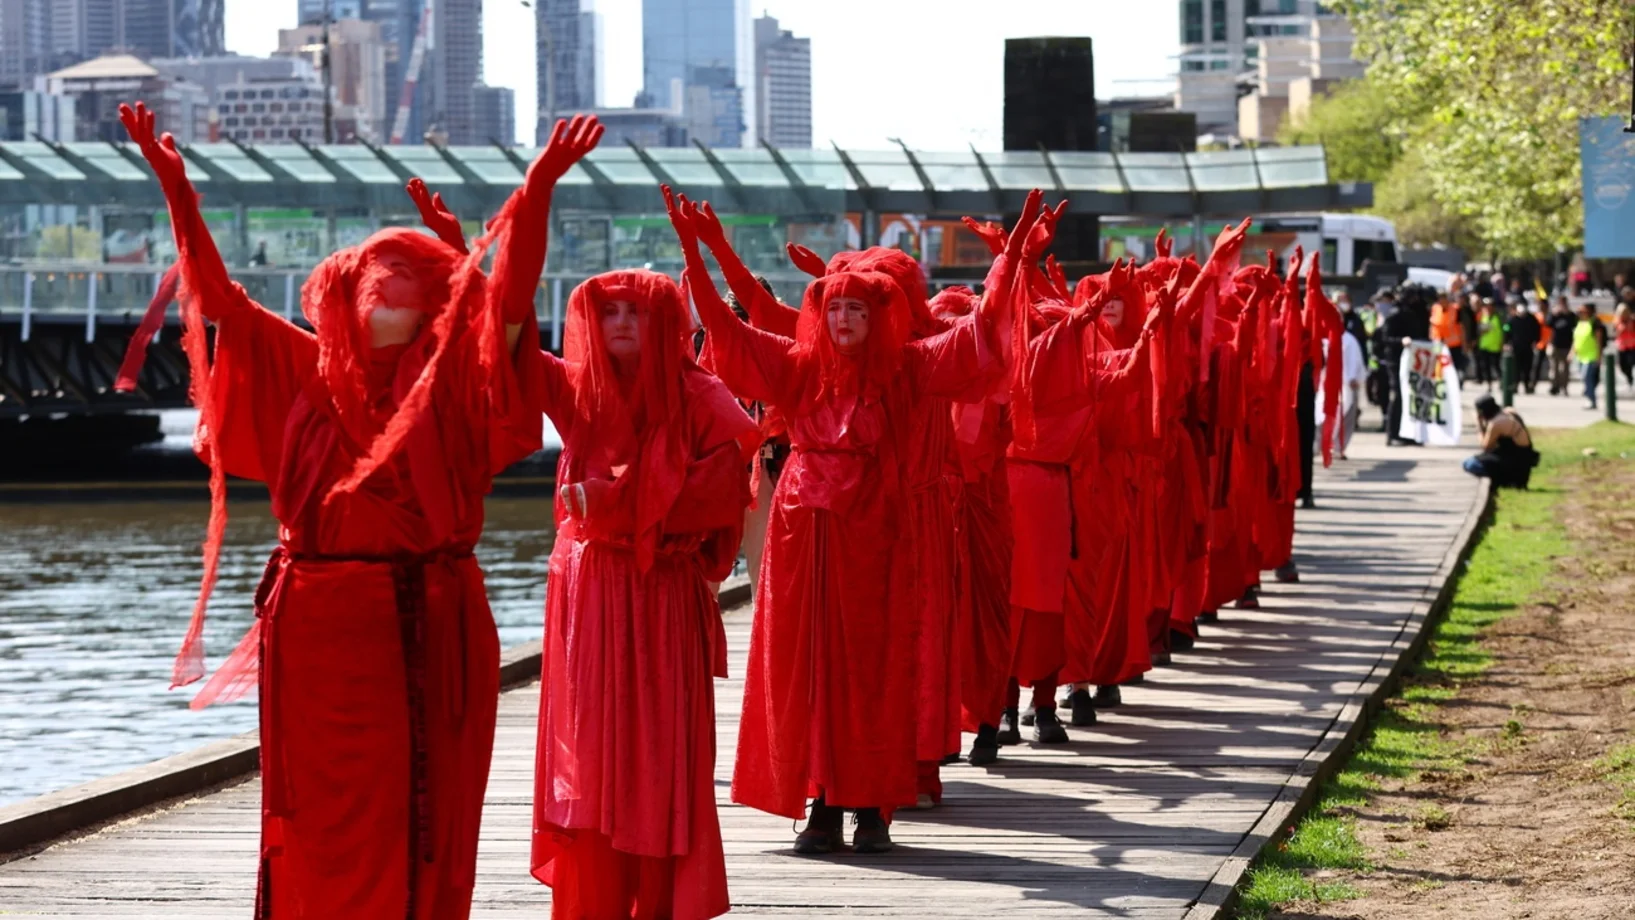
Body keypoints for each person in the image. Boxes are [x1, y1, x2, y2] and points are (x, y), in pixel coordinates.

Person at [115, 102, 600, 919]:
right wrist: (178, 194)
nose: (383, 290)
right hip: (314, 627)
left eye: (406, 281)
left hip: (425, 615)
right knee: (312, 809)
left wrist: (536, 193)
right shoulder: (303, 368)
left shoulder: (450, 389)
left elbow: (510, 307)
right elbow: (219, 299)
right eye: (375, 278)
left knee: (425, 806)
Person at [672, 188, 1041, 855]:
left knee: (874, 668)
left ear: (880, 316)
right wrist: (700, 252)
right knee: (806, 666)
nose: (841, 319)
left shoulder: (910, 368)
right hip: (804, 540)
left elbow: (984, 332)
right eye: (832, 307)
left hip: (879, 537)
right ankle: (819, 801)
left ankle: (869, 804)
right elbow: (730, 328)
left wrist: (1009, 257)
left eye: (855, 308)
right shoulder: (797, 367)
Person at [527, 268, 758, 920]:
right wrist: (476, 252)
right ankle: (597, 900)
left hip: (661, 594)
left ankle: (657, 903)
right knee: (595, 757)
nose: (621, 323)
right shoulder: (580, 389)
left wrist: (615, 502)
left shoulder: (700, 394)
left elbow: (726, 479)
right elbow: (504, 345)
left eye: (636, 312)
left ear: (664, 325)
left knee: (657, 756)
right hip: (592, 594)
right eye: (608, 313)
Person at [1463, 395, 1538, 488]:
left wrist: (1479, 425)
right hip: (1522, 462)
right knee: (1475, 460)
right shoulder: (1509, 412)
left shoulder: (1496, 424)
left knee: (1470, 464)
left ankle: (1503, 481)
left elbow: (1485, 446)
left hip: (1515, 465)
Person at [1574, 303, 1608, 409]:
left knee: (1587, 377)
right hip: (1581, 356)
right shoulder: (1580, 323)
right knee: (1585, 378)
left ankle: (1591, 400)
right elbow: (1576, 339)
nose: (1580, 313)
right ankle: (1589, 395)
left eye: (1583, 311)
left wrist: (1599, 356)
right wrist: (1572, 352)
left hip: (1591, 356)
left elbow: (1599, 341)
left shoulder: (1595, 324)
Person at [1505, 300, 1541, 394]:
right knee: (1516, 368)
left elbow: (1537, 330)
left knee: (1527, 368)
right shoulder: (1512, 319)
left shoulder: (1531, 319)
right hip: (1516, 347)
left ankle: (1526, 386)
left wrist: (1536, 342)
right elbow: (1506, 329)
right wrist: (1507, 343)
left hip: (1528, 347)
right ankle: (1515, 386)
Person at [1548, 295, 1579, 396]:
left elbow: (1575, 325)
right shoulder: (1555, 314)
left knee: (1565, 369)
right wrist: (1553, 314)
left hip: (1567, 345)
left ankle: (1564, 387)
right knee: (1554, 368)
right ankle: (1554, 386)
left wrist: (1567, 313)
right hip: (1555, 344)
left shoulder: (1570, 315)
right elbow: (1548, 324)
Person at [1474, 298, 1503, 387]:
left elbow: (1503, 330)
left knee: (1496, 366)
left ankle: (1502, 381)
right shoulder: (1483, 316)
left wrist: (1502, 343)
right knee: (1486, 367)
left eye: (1490, 305)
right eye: (1487, 306)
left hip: (1495, 346)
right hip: (1484, 345)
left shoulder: (1498, 317)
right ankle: (1489, 384)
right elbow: (1479, 329)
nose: (1488, 307)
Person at [1616, 303, 1635, 390]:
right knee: (1623, 366)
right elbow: (1615, 333)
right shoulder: (1617, 321)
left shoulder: (1633, 320)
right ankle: (1629, 378)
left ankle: (1631, 380)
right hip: (1622, 346)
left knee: (1630, 363)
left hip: (1632, 346)